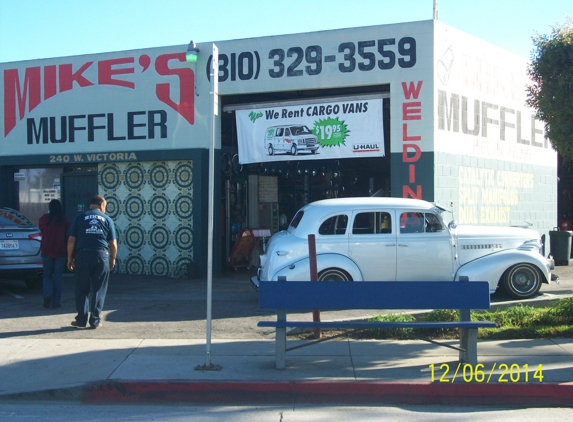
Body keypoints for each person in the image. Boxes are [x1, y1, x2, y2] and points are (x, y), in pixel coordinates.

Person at [67, 195, 118, 329]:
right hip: (101, 255)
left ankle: (81, 319)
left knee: (81, 289)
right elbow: (112, 243)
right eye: (105, 206)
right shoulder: (107, 219)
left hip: (82, 255)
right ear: (101, 205)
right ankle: (95, 321)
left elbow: (71, 240)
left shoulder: (79, 217)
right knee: (98, 289)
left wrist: (69, 258)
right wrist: (112, 258)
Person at [38, 199, 70, 309]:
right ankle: (56, 302)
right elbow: (68, 235)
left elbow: (41, 229)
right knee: (57, 278)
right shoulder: (64, 221)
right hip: (60, 252)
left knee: (46, 276)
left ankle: (47, 295)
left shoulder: (44, 219)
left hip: (46, 251)